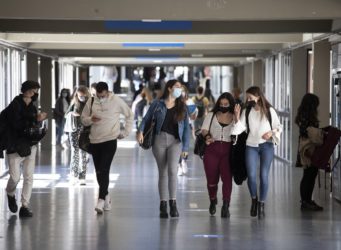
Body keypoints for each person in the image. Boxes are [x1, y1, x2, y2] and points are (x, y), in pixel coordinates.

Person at [137, 79, 190, 218]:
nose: (180, 90)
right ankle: (163, 205)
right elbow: (146, 119)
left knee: (173, 170)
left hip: (175, 142)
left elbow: (186, 130)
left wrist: (185, 147)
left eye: (181, 88)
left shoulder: (182, 107)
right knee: (163, 172)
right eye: (177, 87)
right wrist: (140, 131)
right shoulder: (157, 104)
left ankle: (173, 204)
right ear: (170, 88)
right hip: (159, 141)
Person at [81, 82, 133, 214]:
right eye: (98, 95)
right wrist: (91, 119)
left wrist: (125, 132)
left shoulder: (116, 100)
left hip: (110, 140)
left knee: (104, 168)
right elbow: (83, 119)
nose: (100, 97)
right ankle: (106, 196)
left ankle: (100, 200)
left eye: (102, 95)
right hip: (94, 141)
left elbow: (129, 114)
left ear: (107, 92)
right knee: (99, 171)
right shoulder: (92, 101)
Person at [233, 86, 282, 219]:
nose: (248, 100)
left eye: (250, 97)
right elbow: (239, 129)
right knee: (252, 176)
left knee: (264, 175)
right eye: (247, 98)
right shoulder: (247, 110)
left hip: (267, 146)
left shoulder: (269, 110)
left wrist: (271, 133)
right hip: (251, 146)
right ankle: (254, 200)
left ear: (258, 97)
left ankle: (261, 204)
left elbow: (279, 127)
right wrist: (237, 118)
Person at [6, 80, 47, 217]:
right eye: (31, 89)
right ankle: (10, 193)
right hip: (15, 145)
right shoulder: (15, 104)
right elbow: (15, 124)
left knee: (28, 176)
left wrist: (38, 120)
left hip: (30, 144)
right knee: (15, 177)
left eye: (35, 90)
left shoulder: (33, 106)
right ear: (24, 89)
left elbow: (32, 124)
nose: (33, 92)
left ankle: (25, 205)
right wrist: (35, 117)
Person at [201, 92, 236, 218]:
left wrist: (237, 116)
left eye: (226, 104)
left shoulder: (234, 116)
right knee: (212, 179)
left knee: (227, 179)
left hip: (228, 151)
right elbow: (204, 129)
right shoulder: (211, 115)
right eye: (221, 104)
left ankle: (226, 205)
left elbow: (240, 130)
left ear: (230, 104)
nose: (223, 106)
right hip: (212, 149)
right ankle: (212, 199)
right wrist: (208, 136)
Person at [295, 93, 324, 211]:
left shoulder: (302, 115)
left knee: (308, 175)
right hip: (309, 149)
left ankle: (306, 200)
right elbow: (313, 135)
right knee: (310, 175)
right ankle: (306, 201)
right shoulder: (309, 118)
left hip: (304, 148)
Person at [65, 86, 91, 185]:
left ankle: (82, 176)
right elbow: (66, 114)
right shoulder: (74, 103)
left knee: (83, 153)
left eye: (84, 96)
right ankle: (74, 175)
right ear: (77, 95)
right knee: (74, 152)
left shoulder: (90, 104)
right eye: (80, 96)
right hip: (74, 130)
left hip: (85, 131)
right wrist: (72, 113)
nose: (82, 98)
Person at [178, 85, 197, 176]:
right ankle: (178, 164)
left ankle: (184, 161)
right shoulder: (175, 102)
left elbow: (194, 115)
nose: (182, 93)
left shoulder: (189, 102)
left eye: (183, 91)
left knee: (185, 144)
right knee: (178, 145)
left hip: (187, 124)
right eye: (180, 91)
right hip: (177, 125)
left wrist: (190, 114)